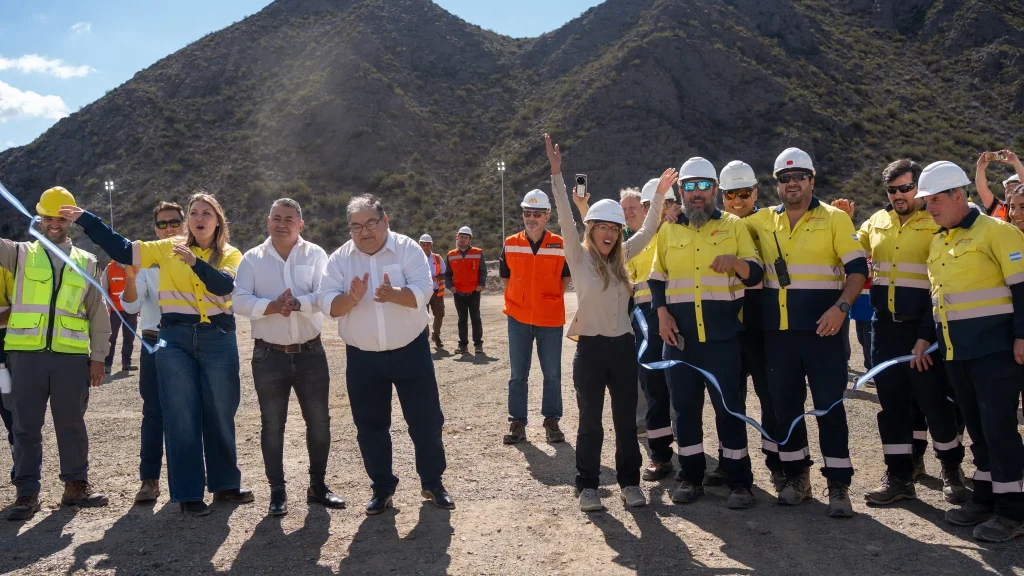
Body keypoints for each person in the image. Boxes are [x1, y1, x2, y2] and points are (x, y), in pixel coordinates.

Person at [64, 192, 253, 517]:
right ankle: (188, 493)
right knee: (181, 416)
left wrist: (194, 262)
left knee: (221, 412)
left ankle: (225, 485)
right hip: (174, 339)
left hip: (218, 337)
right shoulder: (167, 249)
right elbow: (124, 248)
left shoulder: (232, 254)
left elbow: (223, 287)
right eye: (194, 212)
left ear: (218, 220)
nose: (199, 217)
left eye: (206, 212)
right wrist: (85, 218)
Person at [546, 133, 672, 510]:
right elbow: (566, 216)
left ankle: (629, 483)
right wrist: (557, 174)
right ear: (591, 228)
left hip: (622, 349)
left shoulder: (624, 256)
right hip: (590, 350)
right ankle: (586, 486)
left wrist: (662, 194)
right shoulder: (578, 255)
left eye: (615, 228)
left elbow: (649, 230)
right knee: (589, 423)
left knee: (625, 424)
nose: (609, 232)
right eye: (603, 226)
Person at [834, 159, 968, 506]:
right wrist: (842, 223)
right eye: (892, 190)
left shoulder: (936, 222)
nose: (899, 195)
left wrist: (927, 333)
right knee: (891, 405)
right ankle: (898, 476)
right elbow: (849, 250)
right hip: (884, 328)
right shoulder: (877, 222)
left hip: (923, 328)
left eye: (906, 188)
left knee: (934, 404)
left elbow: (940, 285)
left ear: (918, 189)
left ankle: (951, 472)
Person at [745, 148, 868, 518]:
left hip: (824, 335)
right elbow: (723, 230)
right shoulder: (762, 221)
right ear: (776, 185)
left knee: (829, 408)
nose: (791, 183)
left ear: (811, 180)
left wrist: (841, 308)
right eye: (784, 179)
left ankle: (838, 483)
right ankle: (797, 477)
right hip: (779, 335)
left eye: (799, 176)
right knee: (786, 410)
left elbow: (858, 270)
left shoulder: (834, 219)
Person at [318, 194, 453, 515]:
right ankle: (382, 488)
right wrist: (351, 298)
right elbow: (328, 305)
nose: (364, 232)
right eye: (356, 226)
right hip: (363, 358)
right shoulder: (339, 259)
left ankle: (433, 483)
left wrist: (395, 294)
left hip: (411, 351)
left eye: (370, 223)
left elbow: (423, 291)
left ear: (385, 221)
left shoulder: (408, 250)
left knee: (426, 421)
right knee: (370, 425)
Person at [916, 160, 1024, 542]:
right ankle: (985, 498)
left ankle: (1013, 512)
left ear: (959, 195)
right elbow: (940, 300)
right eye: (925, 201)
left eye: (935, 199)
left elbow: (1022, 289)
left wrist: (1022, 337)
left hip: (994, 352)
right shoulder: (940, 241)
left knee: (999, 431)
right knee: (978, 431)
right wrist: (923, 338)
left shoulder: (998, 232)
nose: (929, 207)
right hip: (956, 353)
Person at [648, 157, 764, 510]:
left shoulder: (733, 227)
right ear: (681, 191)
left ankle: (739, 482)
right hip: (680, 341)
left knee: (729, 410)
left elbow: (756, 274)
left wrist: (737, 263)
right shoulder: (669, 229)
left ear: (715, 189)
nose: (697, 194)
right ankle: (690, 476)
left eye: (704, 186)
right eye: (690, 186)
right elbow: (657, 278)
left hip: (721, 339)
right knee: (683, 410)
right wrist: (662, 316)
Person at [1, 186, 110, 521]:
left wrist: (98, 357)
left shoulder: (86, 262)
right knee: (25, 427)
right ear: (40, 217)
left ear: (70, 220)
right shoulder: (18, 253)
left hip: (70, 359)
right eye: (49, 217)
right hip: (25, 355)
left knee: (72, 424)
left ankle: (75, 486)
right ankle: (26, 493)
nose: (54, 223)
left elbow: (97, 312)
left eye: (61, 218)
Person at [233, 198, 344, 517]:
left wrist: (295, 304)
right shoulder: (252, 259)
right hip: (268, 355)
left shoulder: (316, 255)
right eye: (276, 218)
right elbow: (238, 301)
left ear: (301, 224)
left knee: (320, 423)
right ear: (267, 221)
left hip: (311, 352)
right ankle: (277, 492)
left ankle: (318, 487)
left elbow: (325, 295)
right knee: (272, 425)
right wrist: (271, 306)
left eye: (289, 219)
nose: (282, 223)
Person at [719, 160, 785, 492]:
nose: (737, 201)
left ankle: (777, 462)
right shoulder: (717, 227)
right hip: (730, 325)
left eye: (744, 193)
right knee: (730, 398)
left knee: (769, 396)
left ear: (755, 192)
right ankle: (730, 460)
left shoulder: (769, 223)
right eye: (730, 194)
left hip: (762, 324)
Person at [119, 200, 185, 503]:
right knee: (153, 411)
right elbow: (131, 305)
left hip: (188, 341)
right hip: (154, 342)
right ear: (154, 228)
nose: (168, 228)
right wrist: (131, 277)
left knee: (189, 410)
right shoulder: (145, 261)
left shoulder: (196, 256)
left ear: (183, 224)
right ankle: (150, 479)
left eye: (174, 222)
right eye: (162, 224)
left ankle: (186, 478)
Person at [499, 185, 571, 445]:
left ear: (547, 215)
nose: (532, 218)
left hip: (549, 319)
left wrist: (549, 299)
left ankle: (552, 420)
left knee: (551, 373)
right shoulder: (510, 243)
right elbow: (506, 277)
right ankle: (517, 422)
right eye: (527, 213)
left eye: (537, 214)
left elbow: (566, 276)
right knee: (518, 373)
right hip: (518, 318)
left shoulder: (560, 244)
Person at [445, 226, 486, 354]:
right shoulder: (451, 255)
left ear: (470, 240)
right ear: (457, 237)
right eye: (461, 237)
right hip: (458, 292)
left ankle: (478, 345)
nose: (463, 240)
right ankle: (463, 345)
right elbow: (447, 274)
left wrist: (481, 284)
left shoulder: (478, 252)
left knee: (476, 318)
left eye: (466, 237)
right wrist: (450, 286)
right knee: (462, 319)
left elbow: (483, 271)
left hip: (474, 292)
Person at [101, 260, 138, 374]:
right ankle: (107, 364)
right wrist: (106, 306)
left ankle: (126, 364)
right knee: (111, 338)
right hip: (114, 310)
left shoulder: (134, 267)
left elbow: (139, 286)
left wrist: (139, 305)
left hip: (131, 309)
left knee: (129, 337)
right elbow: (104, 288)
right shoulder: (109, 268)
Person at [974, 150, 1024, 220]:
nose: (1009, 188)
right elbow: (982, 190)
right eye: (1007, 186)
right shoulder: (999, 208)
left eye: (1014, 186)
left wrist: (1016, 162)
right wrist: (980, 168)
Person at [419, 234, 446, 348]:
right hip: (422, 292)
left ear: (431, 245)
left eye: (428, 245)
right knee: (423, 316)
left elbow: (445, 273)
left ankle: (436, 335)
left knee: (439, 315)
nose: (425, 247)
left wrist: (438, 277)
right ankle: (425, 338)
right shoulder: (415, 259)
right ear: (419, 245)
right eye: (423, 245)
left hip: (436, 292)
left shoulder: (438, 258)